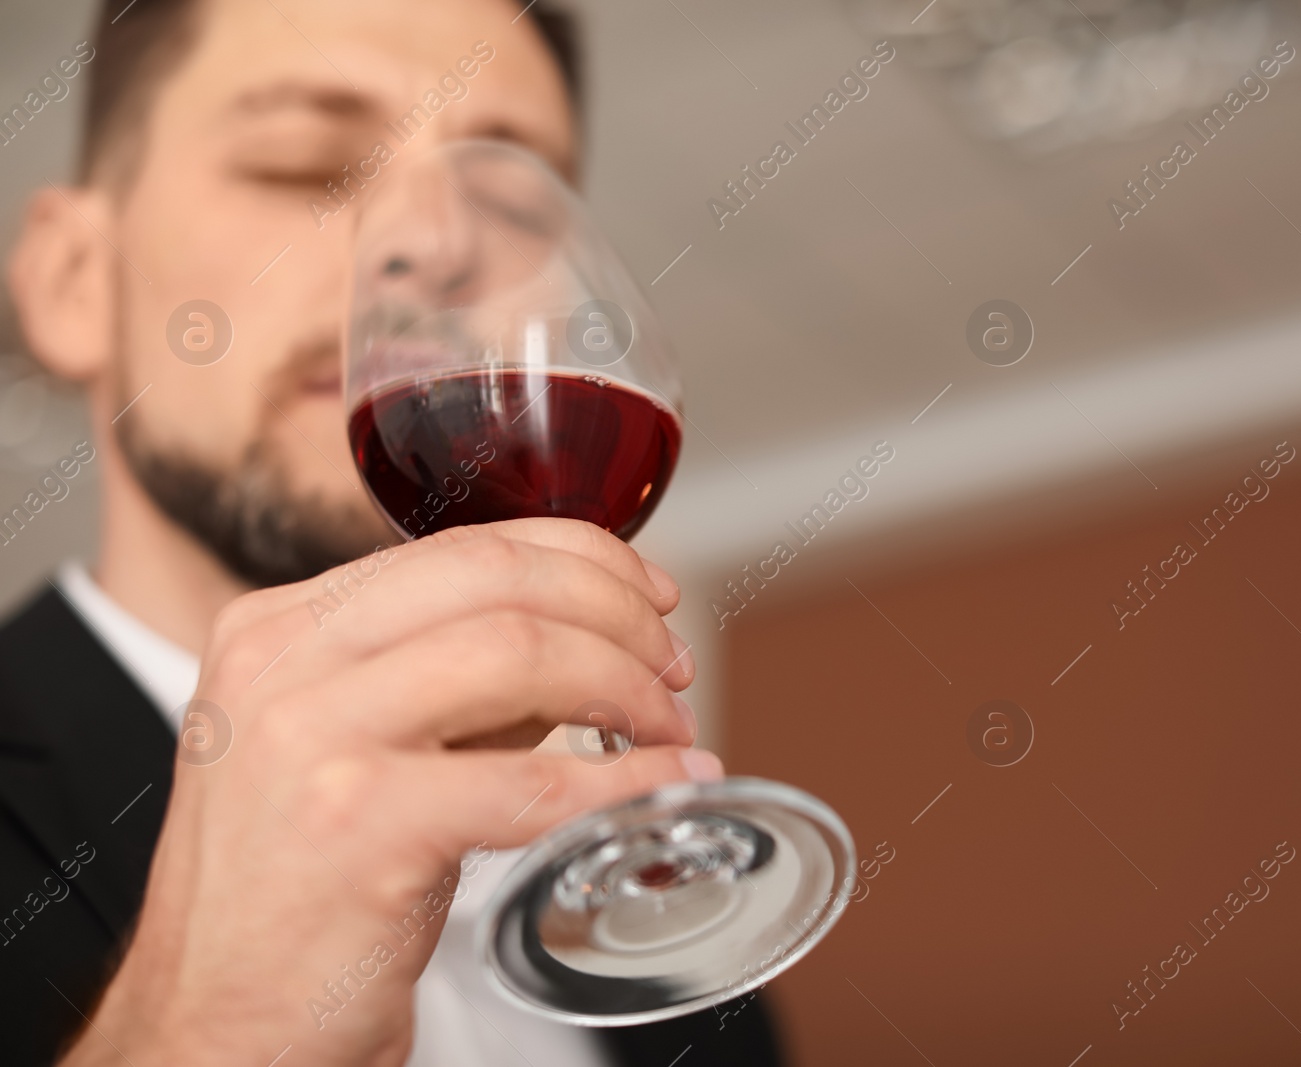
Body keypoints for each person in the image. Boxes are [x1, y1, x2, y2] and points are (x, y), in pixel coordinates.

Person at [0, 0, 783, 1064]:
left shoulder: (692, 976)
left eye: (508, 200)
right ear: (71, 281)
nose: (436, 244)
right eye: (304, 163)